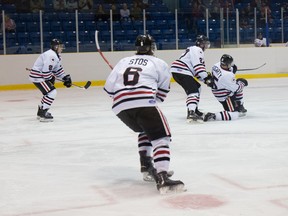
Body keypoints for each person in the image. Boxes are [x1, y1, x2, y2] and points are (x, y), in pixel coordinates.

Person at [104, 34, 185, 194]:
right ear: (152, 48)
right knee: (161, 137)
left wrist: (126, 97)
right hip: (143, 102)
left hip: (120, 107)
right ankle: (162, 177)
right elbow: (161, 94)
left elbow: (108, 89)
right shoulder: (159, 63)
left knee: (144, 130)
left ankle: (146, 165)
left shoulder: (123, 61)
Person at [169, 35, 213, 123]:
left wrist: (205, 80)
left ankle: (194, 109)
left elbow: (196, 71)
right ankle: (191, 113)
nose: (206, 46)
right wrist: (207, 78)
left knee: (198, 87)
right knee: (193, 91)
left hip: (180, 71)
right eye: (205, 43)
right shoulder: (197, 50)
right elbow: (198, 67)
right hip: (181, 71)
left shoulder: (192, 50)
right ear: (200, 44)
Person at [29, 39, 72, 122]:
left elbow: (57, 69)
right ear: (55, 47)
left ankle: (41, 111)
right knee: (52, 92)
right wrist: (51, 78)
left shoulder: (57, 56)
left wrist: (64, 77)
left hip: (40, 76)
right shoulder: (51, 55)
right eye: (60, 46)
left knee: (48, 93)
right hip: (38, 77)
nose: (62, 48)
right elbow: (45, 72)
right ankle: (43, 113)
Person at [203, 54, 248, 122]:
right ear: (226, 64)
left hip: (218, 89)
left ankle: (239, 105)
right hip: (225, 96)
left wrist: (232, 69)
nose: (231, 65)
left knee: (236, 82)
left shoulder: (216, 65)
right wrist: (243, 83)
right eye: (230, 64)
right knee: (234, 114)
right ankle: (214, 116)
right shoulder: (227, 75)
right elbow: (236, 88)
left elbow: (228, 70)